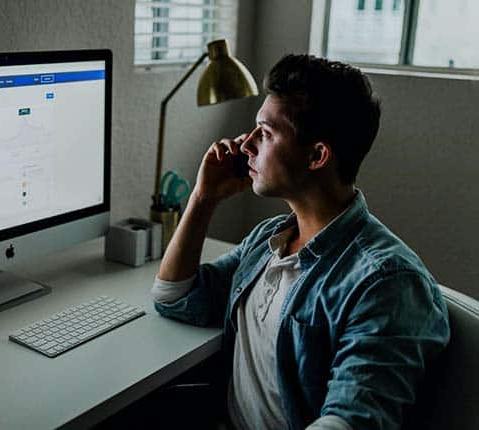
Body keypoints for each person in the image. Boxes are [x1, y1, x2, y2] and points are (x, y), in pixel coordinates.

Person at [151, 54, 450, 430]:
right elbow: (175, 298)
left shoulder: (386, 282)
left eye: (266, 132)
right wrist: (202, 198)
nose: (246, 145)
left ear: (317, 156)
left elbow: (351, 421)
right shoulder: (270, 239)